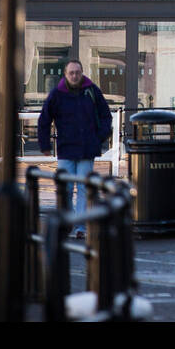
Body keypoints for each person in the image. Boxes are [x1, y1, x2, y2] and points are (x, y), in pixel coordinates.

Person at [38, 60, 112, 236]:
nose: (74, 76)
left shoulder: (92, 91)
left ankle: (80, 227)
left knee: (84, 188)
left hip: (87, 149)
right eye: (71, 73)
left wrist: (98, 138)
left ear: (82, 73)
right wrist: (45, 145)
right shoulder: (57, 94)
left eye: (77, 72)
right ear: (65, 74)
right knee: (66, 188)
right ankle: (68, 222)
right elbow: (44, 119)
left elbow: (105, 116)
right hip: (66, 149)